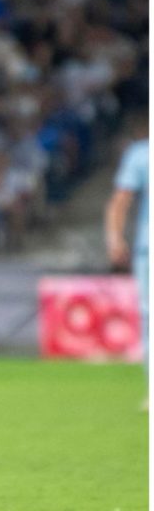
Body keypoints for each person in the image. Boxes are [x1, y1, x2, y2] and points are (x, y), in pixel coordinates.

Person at [104, 115, 148, 407]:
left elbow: (121, 199)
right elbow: (122, 199)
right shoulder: (140, 154)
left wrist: (114, 237)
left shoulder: (141, 154)